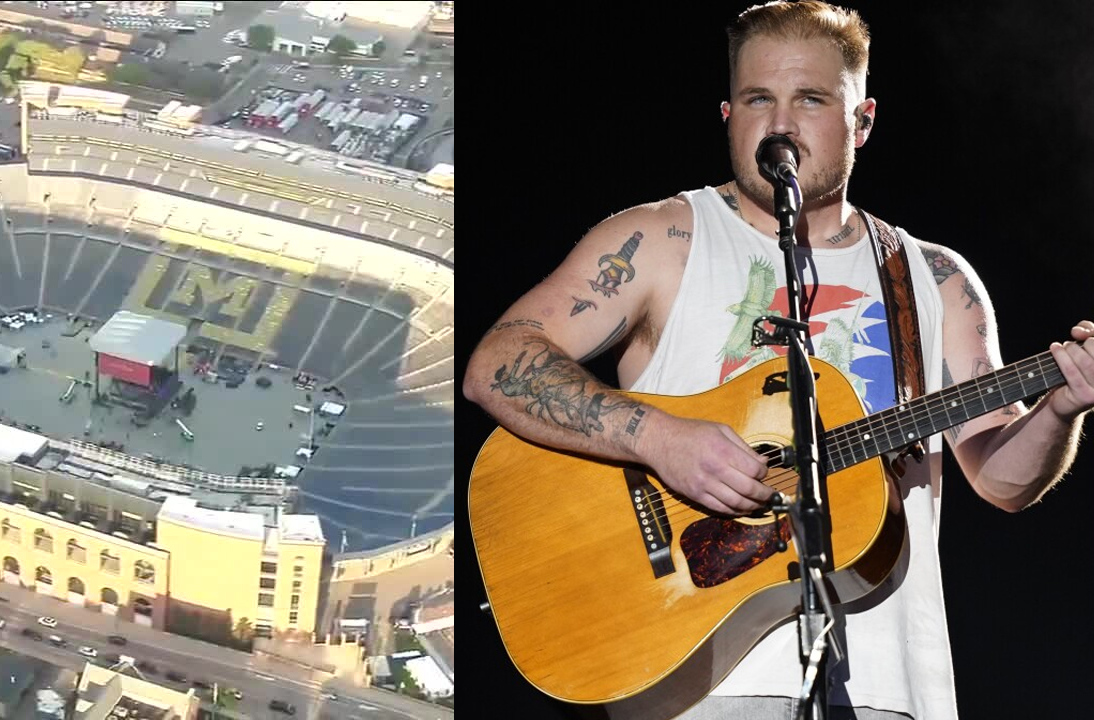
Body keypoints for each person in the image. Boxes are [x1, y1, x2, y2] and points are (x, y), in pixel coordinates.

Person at [461, 2, 1094, 719]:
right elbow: (499, 363)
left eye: (812, 100)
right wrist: (658, 438)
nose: (781, 124)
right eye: (760, 99)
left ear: (863, 121)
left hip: (891, 685)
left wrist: (1064, 403)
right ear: (729, 113)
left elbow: (1002, 479)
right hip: (698, 680)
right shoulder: (664, 238)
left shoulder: (935, 278)